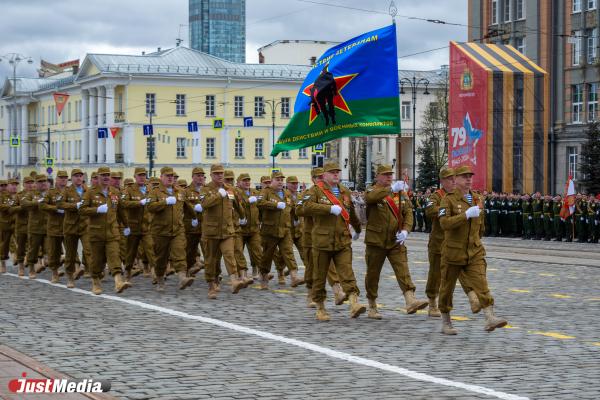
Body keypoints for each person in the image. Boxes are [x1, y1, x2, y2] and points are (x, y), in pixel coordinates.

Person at [438, 165, 507, 335]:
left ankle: (490, 317)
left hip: (474, 251)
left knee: (482, 284)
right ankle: (446, 321)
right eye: (464, 176)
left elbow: (480, 225)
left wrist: (477, 239)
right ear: (456, 180)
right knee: (447, 288)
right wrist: (465, 215)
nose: (468, 179)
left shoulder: (477, 198)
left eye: (470, 176)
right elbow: (444, 223)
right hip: (453, 252)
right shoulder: (448, 199)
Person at [364, 165, 428, 319]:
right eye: (385, 175)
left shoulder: (400, 193)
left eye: (390, 175)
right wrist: (391, 188)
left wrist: (406, 230)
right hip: (376, 241)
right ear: (377, 176)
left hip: (395, 240)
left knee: (403, 270)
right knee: (373, 274)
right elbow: (371, 198)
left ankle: (410, 300)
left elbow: (408, 213)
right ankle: (372, 305)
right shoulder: (371, 190)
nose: (389, 177)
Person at [304, 162, 366, 321]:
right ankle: (320, 308)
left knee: (347, 273)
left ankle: (354, 304)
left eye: (338, 172)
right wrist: (327, 209)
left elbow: (351, 213)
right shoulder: (315, 191)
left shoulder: (344, 191)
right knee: (319, 276)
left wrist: (358, 230)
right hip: (322, 242)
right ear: (324, 175)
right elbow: (302, 208)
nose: (336, 175)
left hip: (342, 240)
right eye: (332, 172)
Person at [424, 167, 481, 317]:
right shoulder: (438, 196)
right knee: (435, 274)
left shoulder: (460, 196)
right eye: (449, 179)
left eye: (454, 178)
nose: (453, 181)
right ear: (442, 181)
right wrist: (448, 208)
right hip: (438, 242)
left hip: (457, 243)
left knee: (463, 272)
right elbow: (429, 211)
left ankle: (473, 298)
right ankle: (432, 302)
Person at [80, 167, 131, 295]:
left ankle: (118, 282)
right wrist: (96, 210)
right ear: (98, 177)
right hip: (96, 233)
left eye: (108, 175)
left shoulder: (114, 192)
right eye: (103, 175)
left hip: (112, 232)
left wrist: (127, 225)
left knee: (114, 256)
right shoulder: (90, 193)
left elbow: (120, 210)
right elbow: (81, 210)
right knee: (97, 260)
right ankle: (96, 282)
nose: (106, 177)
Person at [199, 164, 246, 298]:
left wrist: (242, 216)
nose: (220, 175)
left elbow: (236, 204)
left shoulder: (229, 189)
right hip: (211, 231)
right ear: (211, 175)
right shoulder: (205, 189)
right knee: (210, 260)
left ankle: (234, 281)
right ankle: (211, 286)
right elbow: (204, 204)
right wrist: (218, 195)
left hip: (227, 229)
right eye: (217, 173)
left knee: (229, 254)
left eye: (221, 173)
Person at [147, 166, 195, 292]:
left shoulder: (180, 191)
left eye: (172, 176)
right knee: (161, 258)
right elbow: (150, 207)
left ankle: (182, 278)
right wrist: (165, 202)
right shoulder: (155, 192)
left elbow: (187, 206)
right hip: (160, 231)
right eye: (167, 176)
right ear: (161, 177)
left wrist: (195, 217)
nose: (170, 178)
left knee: (179, 252)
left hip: (177, 229)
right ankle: (160, 279)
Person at [257, 171, 304, 289]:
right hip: (270, 229)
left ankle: (294, 276)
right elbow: (260, 202)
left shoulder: (286, 193)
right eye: (277, 180)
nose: (280, 182)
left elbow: (293, 207)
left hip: (285, 228)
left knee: (288, 252)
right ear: (272, 181)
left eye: (281, 180)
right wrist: (275, 205)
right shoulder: (266, 192)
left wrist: (296, 218)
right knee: (267, 255)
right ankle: (264, 276)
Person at [122, 167, 155, 282]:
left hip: (147, 226)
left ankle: (155, 273)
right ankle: (127, 272)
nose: (142, 177)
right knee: (131, 251)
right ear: (135, 177)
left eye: (144, 175)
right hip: (133, 226)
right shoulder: (130, 189)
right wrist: (138, 203)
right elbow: (124, 203)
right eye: (140, 175)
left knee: (150, 249)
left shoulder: (150, 189)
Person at [58, 168, 90, 287]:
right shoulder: (67, 191)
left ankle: (92, 273)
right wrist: (74, 206)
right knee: (70, 254)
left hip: (85, 225)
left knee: (89, 250)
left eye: (80, 176)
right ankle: (70, 277)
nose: (79, 178)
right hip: (71, 227)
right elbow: (60, 204)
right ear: (72, 178)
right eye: (76, 176)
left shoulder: (88, 190)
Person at [40, 170, 68, 284]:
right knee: (54, 251)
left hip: (68, 226)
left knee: (71, 250)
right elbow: (42, 205)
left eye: (65, 178)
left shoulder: (71, 191)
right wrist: (55, 209)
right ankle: (55, 273)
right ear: (56, 180)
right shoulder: (50, 193)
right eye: (61, 178)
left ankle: (73, 271)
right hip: (54, 226)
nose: (63, 180)